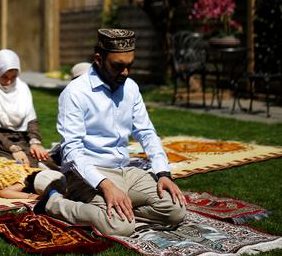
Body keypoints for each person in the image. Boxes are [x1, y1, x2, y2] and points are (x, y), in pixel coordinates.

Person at [35, 29, 187, 236]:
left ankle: (118, 206)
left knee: (176, 211)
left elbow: (146, 132)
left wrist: (163, 173)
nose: (125, 72)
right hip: (87, 175)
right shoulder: (75, 93)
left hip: (126, 171)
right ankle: (53, 203)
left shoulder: (131, 88)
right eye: (118, 66)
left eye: (129, 66)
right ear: (98, 59)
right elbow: (72, 151)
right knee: (120, 226)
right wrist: (105, 186)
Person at [0, 49, 50, 168]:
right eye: (4, 77)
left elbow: (31, 120)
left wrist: (35, 142)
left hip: (22, 140)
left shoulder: (22, 88)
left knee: (49, 163)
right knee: (18, 168)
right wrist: (13, 148)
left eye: (13, 77)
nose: (9, 82)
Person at [0, 155, 65, 200]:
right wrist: (28, 197)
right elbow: (5, 192)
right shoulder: (21, 183)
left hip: (5, 164)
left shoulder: (37, 171)